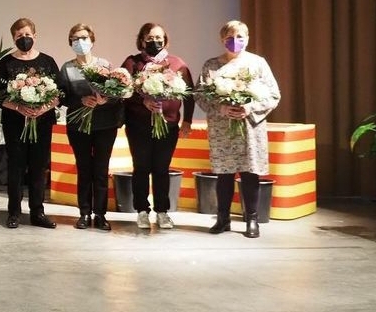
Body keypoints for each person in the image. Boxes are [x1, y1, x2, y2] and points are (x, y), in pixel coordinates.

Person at [196, 20, 281, 238]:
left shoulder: (258, 63)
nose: (235, 41)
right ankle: (222, 218)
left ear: (248, 38)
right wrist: (221, 108)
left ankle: (252, 220)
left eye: (240, 37)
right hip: (222, 128)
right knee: (224, 174)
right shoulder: (211, 66)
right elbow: (201, 95)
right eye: (230, 38)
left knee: (249, 173)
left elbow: (273, 94)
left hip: (250, 127)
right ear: (222, 40)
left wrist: (250, 107)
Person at [121, 22, 195, 230]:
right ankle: (142, 211)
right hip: (138, 126)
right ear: (142, 40)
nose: (154, 41)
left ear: (165, 40)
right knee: (141, 168)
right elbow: (123, 91)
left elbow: (189, 94)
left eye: (158, 38)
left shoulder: (177, 63)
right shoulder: (133, 62)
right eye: (150, 38)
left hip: (167, 125)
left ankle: (162, 212)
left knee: (162, 169)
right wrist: (142, 100)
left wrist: (187, 120)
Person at [0, 17, 60, 229]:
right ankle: (14, 212)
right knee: (16, 167)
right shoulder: (6, 63)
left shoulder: (47, 62)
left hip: (42, 123)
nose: (24, 38)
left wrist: (43, 108)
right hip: (14, 124)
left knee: (38, 168)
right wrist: (19, 108)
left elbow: (59, 93)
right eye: (19, 36)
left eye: (27, 35)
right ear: (13, 38)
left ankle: (37, 212)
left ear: (35, 36)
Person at [57, 23, 123, 231]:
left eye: (84, 38)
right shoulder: (67, 68)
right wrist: (80, 101)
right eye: (75, 39)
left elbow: (117, 93)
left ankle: (101, 214)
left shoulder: (105, 65)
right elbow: (61, 97)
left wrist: (105, 100)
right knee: (84, 169)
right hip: (78, 126)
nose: (80, 42)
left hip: (105, 125)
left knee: (101, 170)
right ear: (70, 43)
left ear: (92, 40)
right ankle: (84, 213)